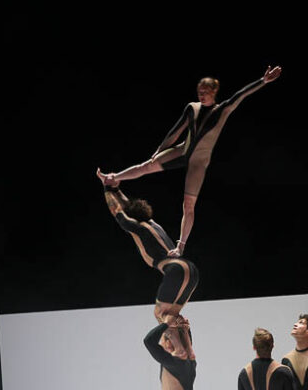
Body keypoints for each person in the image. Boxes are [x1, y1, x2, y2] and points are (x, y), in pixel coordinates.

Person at [97, 65, 282, 257]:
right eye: (199, 92)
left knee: (188, 205)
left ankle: (180, 247)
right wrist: (160, 150)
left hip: (198, 163)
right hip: (182, 151)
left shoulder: (222, 110)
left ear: (214, 92)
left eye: (205, 92)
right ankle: (113, 178)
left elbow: (241, 95)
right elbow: (176, 131)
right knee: (147, 165)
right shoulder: (192, 108)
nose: (201, 95)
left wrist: (263, 81)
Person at [101, 184, 198, 355]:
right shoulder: (153, 224)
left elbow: (116, 209)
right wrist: (116, 190)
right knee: (171, 315)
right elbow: (129, 207)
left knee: (160, 313)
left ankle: (180, 351)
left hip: (175, 269)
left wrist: (106, 188)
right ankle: (188, 351)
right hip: (190, 269)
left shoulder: (136, 227)